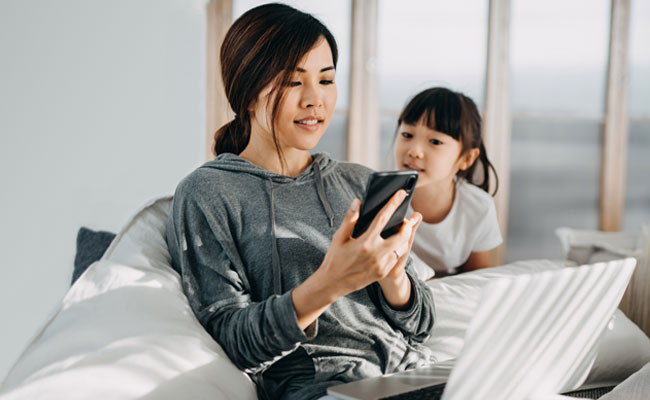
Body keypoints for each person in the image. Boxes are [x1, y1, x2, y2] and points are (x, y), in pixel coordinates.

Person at [165, 4, 434, 399]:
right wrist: (328, 284)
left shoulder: (358, 182)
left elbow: (422, 323)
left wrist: (393, 277)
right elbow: (231, 340)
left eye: (326, 80)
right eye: (293, 82)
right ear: (247, 93)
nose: (315, 99)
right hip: (323, 388)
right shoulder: (208, 194)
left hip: (416, 374)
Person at [391, 87, 502, 277]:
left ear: (466, 158)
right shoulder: (380, 197)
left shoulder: (479, 207)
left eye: (435, 141)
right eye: (407, 135)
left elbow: (477, 281)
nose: (414, 151)